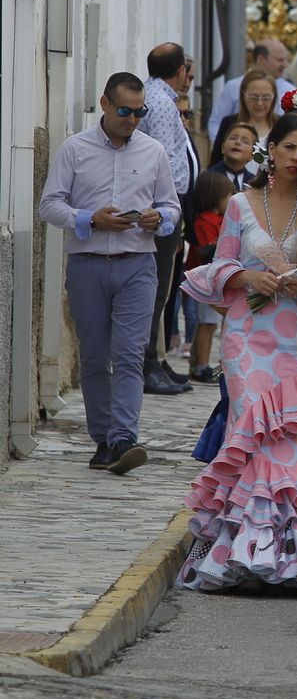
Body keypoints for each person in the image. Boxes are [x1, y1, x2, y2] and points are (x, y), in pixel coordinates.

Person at [177, 113, 297, 592]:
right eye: (288, 148)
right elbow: (218, 265)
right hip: (247, 334)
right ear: (273, 148)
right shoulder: (240, 204)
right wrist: (246, 277)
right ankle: (239, 551)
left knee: (290, 440)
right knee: (250, 428)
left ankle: (292, 555)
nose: (295, 159)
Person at [38, 73, 182, 471]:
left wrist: (159, 219)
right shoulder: (75, 149)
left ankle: (123, 440)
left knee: (130, 354)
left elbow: (172, 206)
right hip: (87, 266)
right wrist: (89, 219)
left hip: (137, 265)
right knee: (96, 356)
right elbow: (49, 205)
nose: (132, 119)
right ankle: (102, 439)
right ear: (105, 104)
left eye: (139, 112)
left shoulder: (153, 152)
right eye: (124, 111)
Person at [137, 43, 199, 393]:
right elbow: (161, 158)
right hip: (162, 207)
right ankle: (145, 364)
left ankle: (154, 358)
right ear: (179, 70)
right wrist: (170, 208)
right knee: (156, 288)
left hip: (169, 207)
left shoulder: (161, 97)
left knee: (164, 287)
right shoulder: (160, 102)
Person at [185, 170, 235, 385]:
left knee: (208, 323)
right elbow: (208, 249)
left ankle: (200, 361)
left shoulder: (218, 220)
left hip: (213, 280)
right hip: (206, 280)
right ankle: (201, 365)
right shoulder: (206, 222)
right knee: (206, 323)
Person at [208, 40, 293, 139]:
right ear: (261, 59)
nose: (285, 65)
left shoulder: (291, 91)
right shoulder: (233, 86)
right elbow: (215, 122)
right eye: (280, 60)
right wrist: (224, 147)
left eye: (266, 98)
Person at [209, 69, 279, 161]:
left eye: (266, 98)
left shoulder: (281, 125)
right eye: (254, 97)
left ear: (273, 98)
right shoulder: (229, 123)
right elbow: (215, 163)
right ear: (243, 96)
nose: (259, 103)